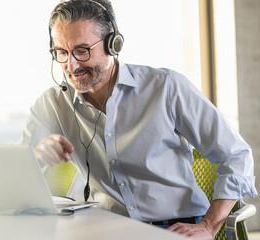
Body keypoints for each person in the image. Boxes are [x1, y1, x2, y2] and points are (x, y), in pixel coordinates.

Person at [19, 0, 257, 239]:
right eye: (61, 52)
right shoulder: (52, 104)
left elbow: (237, 155)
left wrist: (208, 225)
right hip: (106, 231)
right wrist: (35, 158)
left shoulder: (165, 87)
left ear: (113, 44)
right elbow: (10, 181)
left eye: (82, 50)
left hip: (177, 230)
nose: (71, 65)